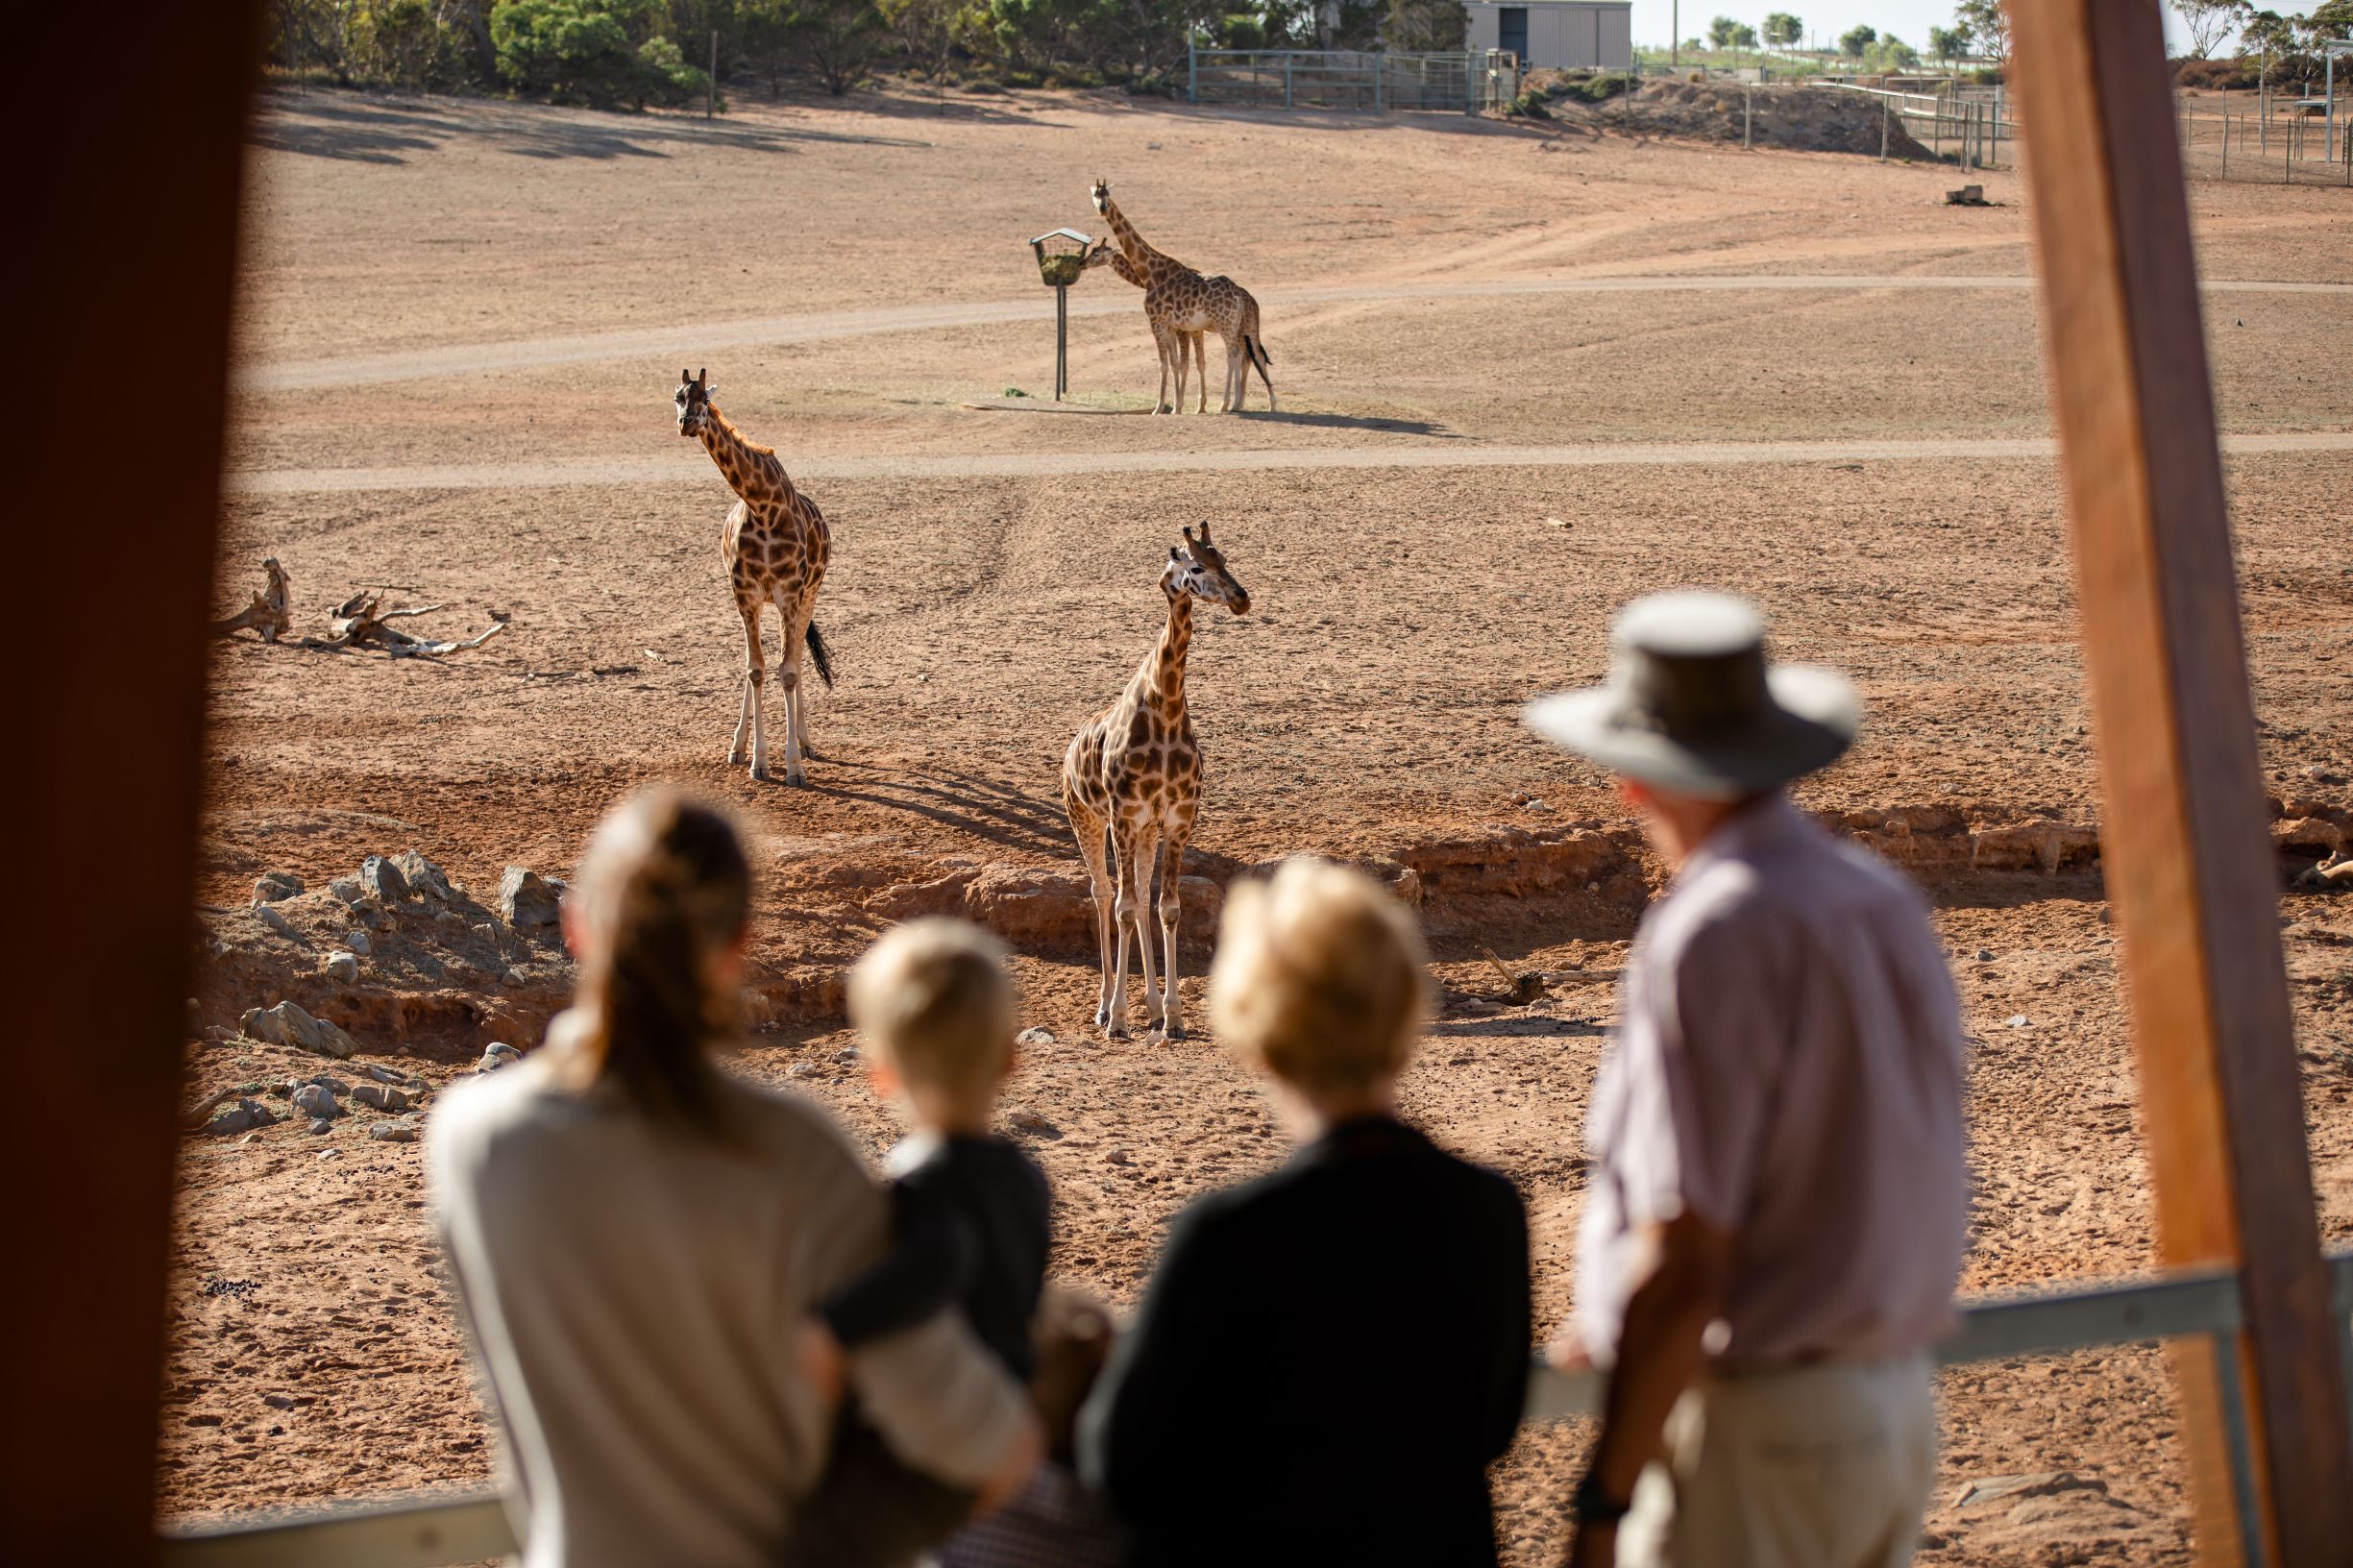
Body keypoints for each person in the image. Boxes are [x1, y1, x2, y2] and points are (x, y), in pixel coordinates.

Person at [428, 791, 1039, 1568]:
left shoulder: (474, 1140)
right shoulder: (794, 1154)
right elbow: (983, 1442)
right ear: (737, 948)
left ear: (578, 926)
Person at [1523, 592, 1970, 1568]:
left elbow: (1688, 1256)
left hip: (1761, 1433)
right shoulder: (1880, 898)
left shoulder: (1712, 933)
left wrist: (1603, 1497)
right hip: (1891, 1405)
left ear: (1631, 781)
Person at [1079, 858, 1532, 1566]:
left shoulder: (1228, 1235)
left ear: (1259, 1033)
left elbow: (1125, 1465)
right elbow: (1494, 1428)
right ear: (1403, 1011)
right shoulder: (1488, 1211)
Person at [784, 918, 1075, 1568]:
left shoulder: (916, 1185)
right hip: (1010, 1421)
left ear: (879, 1072)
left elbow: (939, 1261)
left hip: (933, 1451)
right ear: (1010, 1056)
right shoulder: (1026, 1179)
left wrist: (828, 1331)